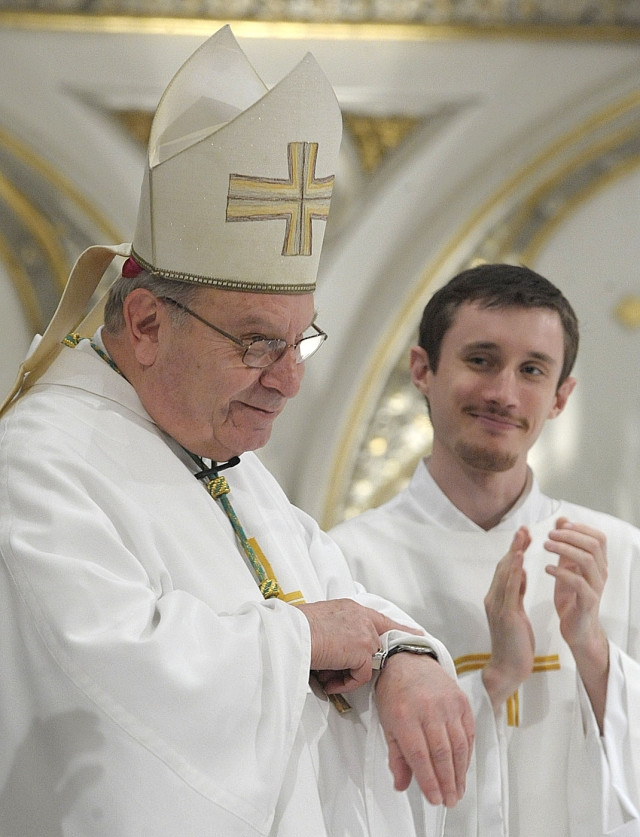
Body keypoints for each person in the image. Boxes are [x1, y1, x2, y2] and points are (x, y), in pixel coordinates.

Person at [0, 26, 474, 837]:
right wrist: (301, 640)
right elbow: (111, 690)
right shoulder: (37, 468)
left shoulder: (227, 466)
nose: (289, 380)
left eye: (301, 342)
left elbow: (338, 596)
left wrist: (404, 658)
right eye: (257, 343)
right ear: (147, 322)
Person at [331, 263, 640, 837]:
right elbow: (337, 774)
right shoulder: (346, 564)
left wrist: (592, 652)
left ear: (560, 397)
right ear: (423, 369)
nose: (503, 393)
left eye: (532, 370)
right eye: (481, 360)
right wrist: (497, 678)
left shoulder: (620, 556)